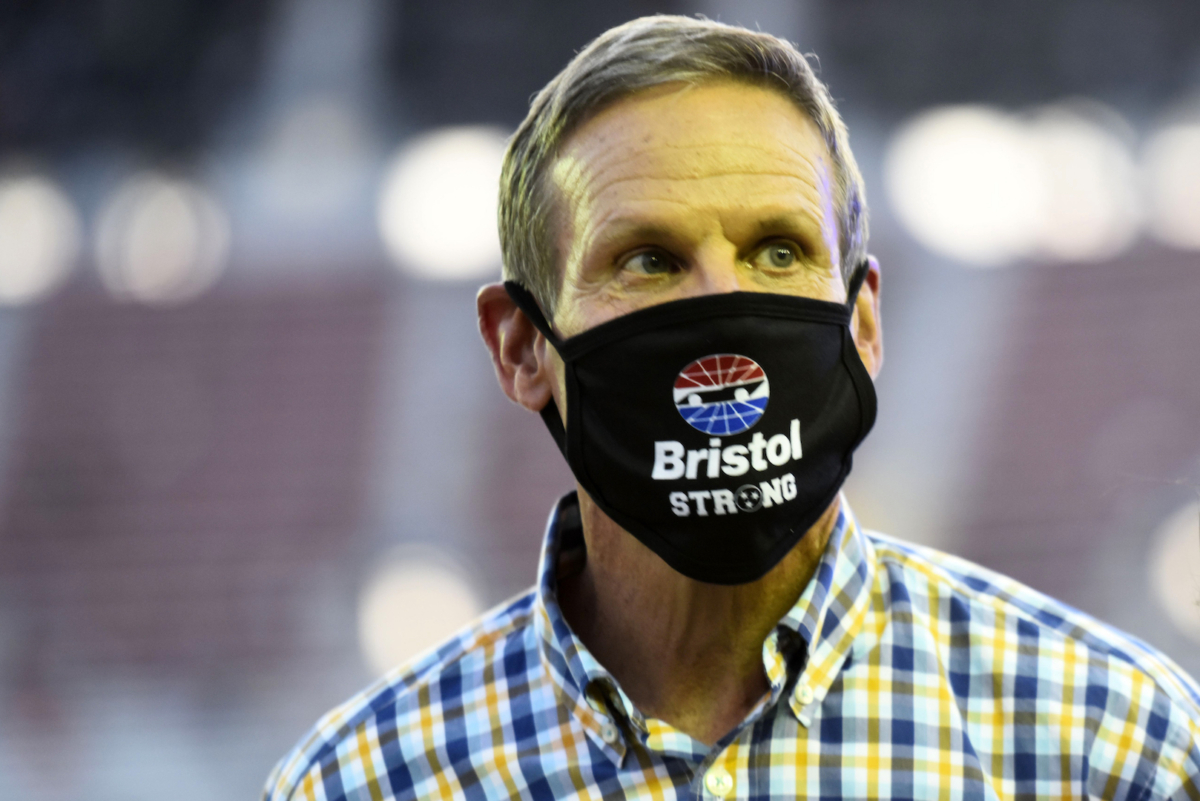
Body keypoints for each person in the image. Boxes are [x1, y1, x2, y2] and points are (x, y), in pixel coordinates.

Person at [264, 15, 1200, 800]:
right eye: (649, 260)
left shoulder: (1115, 746)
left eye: (780, 252)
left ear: (864, 320)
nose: (722, 307)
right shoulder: (363, 781)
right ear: (521, 345)